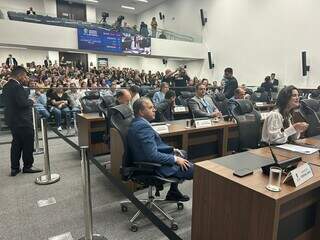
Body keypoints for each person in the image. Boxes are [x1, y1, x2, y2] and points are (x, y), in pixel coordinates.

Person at [128, 97, 193, 201]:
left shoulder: (137, 122)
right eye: (150, 108)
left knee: (182, 153)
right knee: (197, 171)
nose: (155, 109)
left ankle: (173, 192)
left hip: (145, 160)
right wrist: (175, 159)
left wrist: (173, 152)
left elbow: (152, 147)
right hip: (153, 167)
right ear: (141, 111)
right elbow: (152, 155)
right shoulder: (142, 127)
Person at [2, 66, 42, 176]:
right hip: (22, 120)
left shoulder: (6, 86)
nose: (26, 78)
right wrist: (31, 100)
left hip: (12, 120)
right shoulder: (17, 87)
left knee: (16, 143)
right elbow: (22, 104)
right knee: (28, 143)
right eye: (24, 76)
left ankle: (14, 168)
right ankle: (28, 166)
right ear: (19, 75)